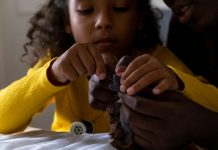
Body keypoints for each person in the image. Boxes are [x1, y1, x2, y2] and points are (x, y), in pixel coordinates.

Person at [0, 0, 179, 134]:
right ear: (67, 22)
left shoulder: (157, 62)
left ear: (140, 17)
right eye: (86, 10)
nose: (103, 22)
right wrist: (52, 74)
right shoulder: (57, 62)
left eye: (120, 8)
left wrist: (172, 82)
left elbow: (205, 105)